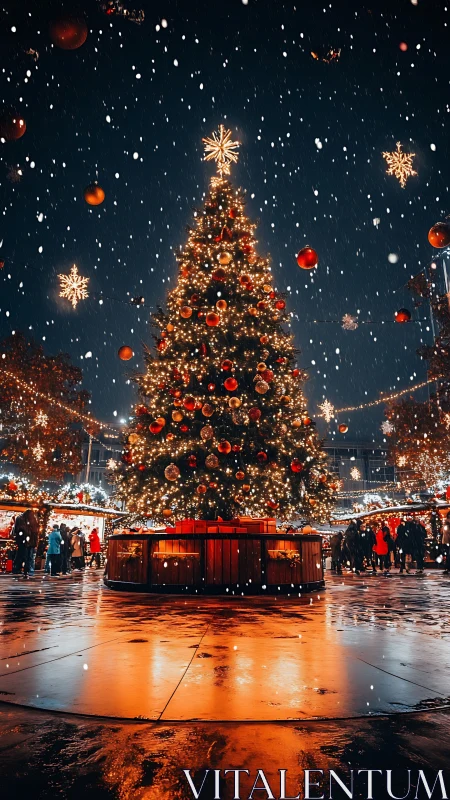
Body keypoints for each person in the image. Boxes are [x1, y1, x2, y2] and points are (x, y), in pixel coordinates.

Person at [12, 509, 39, 579]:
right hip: (27, 541)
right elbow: (35, 532)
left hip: (24, 541)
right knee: (27, 556)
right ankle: (26, 570)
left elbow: (18, 530)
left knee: (22, 555)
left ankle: (19, 569)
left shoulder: (21, 519)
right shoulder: (32, 520)